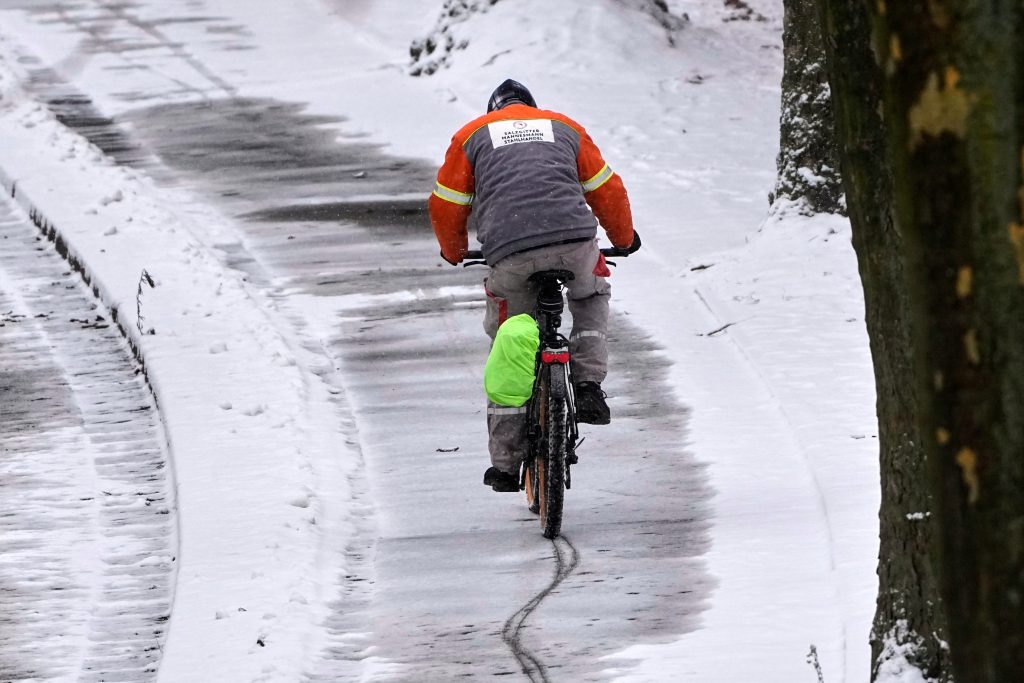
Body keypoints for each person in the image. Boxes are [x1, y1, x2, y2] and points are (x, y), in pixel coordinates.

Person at [428, 78, 639, 493]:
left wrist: (454, 250)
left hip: (511, 249)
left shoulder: (472, 135)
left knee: (509, 341)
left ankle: (506, 465)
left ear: (495, 111)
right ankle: (589, 385)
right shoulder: (564, 127)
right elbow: (606, 188)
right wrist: (624, 237)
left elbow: (447, 202)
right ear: (532, 107)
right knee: (591, 294)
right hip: (574, 241)